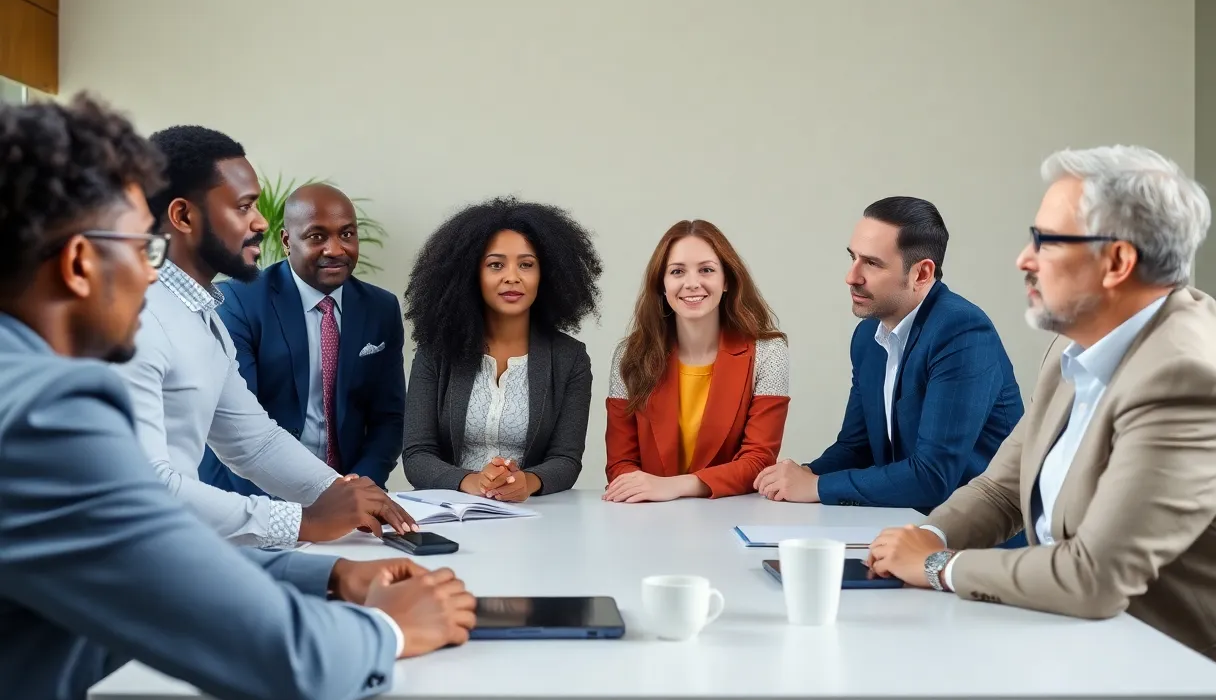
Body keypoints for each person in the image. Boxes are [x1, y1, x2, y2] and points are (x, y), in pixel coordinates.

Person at [0, 95, 476, 700]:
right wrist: (388, 628)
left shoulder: (36, 377)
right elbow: (285, 664)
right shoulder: (42, 413)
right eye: (143, 250)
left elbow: (146, 552)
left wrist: (333, 577)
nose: (150, 277)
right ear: (81, 263)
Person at [867, 146, 1216, 660]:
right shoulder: (1071, 345)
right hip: (1071, 642)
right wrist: (923, 536)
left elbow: (1093, 576)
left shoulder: (1183, 375)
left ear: (1118, 262)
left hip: (1166, 672)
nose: (1024, 260)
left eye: (1047, 242)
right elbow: (1000, 491)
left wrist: (937, 566)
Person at [112, 125, 416, 548]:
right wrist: (298, 523)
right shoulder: (131, 319)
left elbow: (253, 442)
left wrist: (343, 494)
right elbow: (143, 486)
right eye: (243, 207)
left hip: (167, 549)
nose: (260, 221)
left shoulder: (203, 315)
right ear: (182, 216)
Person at [753, 197, 1023, 515]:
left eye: (872, 263)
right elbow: (858, 447)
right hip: (905, 528)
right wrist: (802, 476)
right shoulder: (868, 336)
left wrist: (815, 487)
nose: (851, 277)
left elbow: (933, 477)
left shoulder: (962, 332)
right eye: (853, 258)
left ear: (922, 274)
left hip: (980, 544)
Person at [199, 183, 405, 495]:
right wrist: (316, 494)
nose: (335, 249)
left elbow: (388, 418)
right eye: (317, 236)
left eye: (347, 234)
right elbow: (237, 425)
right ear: (286, 240)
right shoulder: (240, 301)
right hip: (250, 492)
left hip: (347, 492)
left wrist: (362, 484)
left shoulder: (380, 308)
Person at [401, 197, 602, 500]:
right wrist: (473, 481)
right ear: (472, 274)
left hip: (535, 516)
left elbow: (566, 460)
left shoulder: (569, 358)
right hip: (451, 510)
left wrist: (526, 482)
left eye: (526, 264)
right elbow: (417, 455)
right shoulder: (435, 353)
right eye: (496, 265)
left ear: (544, 275)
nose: (512, 277)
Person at [605, 219, 790, 501]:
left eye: (706, 270)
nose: (692, 284)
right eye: (677, 271)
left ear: (726, 280)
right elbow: (620, 465)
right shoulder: (630, 356)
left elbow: (758, 461)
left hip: (731, 513)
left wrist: (674, 486)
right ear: (662, 284)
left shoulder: (769, 352)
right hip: (648, 518)